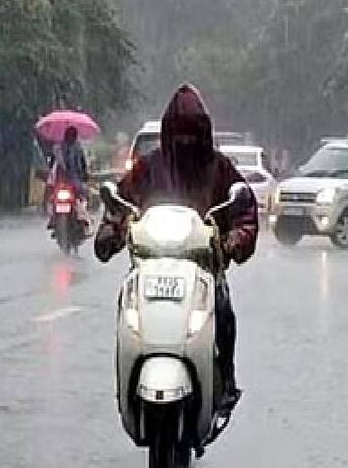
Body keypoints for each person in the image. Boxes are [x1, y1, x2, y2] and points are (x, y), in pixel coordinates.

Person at [94, 84, 258, 410]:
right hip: (150, 265)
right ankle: (127, 381)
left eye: (192, 133)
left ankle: (224, 381)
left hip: (204, 269)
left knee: (223, 313)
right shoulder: (147, 168)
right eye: (179, 133)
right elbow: (120, 205)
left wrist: (233, 241)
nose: (185, 141)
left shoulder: (219, 169)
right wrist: (111, 231)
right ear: (169, 132)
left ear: (204, 133)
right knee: (126, 312)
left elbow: (245, 214)